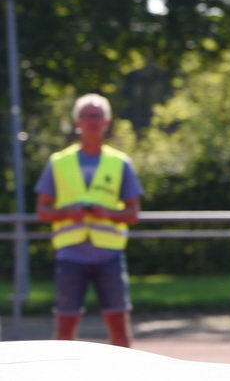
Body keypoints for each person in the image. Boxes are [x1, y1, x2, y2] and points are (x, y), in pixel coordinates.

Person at [34, 94, 142, 347]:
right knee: (65, 324)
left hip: (110, 255)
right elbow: (43, 210)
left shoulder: (120, 162)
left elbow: (132, 213)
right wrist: (67, 212)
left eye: (96, 116)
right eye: (86, 116)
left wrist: (108, 214)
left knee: (118, 322)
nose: (91, 122)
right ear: (77, 122)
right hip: (70, 255)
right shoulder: (58, 162)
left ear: (106, 121)